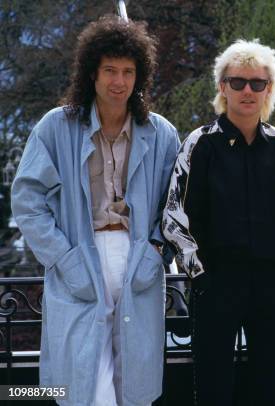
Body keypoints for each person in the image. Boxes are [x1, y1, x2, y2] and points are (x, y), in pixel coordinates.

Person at [11, 16, 179, 406]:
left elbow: (177, 208)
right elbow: (28, 202)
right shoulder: (56, 127)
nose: (119, 81)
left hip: (139, 258)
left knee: (134, 378)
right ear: (92, 73)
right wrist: (63, 258)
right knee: (84, 378)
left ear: (140, 76)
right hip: (80, 253)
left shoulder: (162, 133)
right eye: (109, 71)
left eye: (128, 72)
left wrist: (158, 251)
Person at [162, 39, 275, 405]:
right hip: (216, 284)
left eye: (258, 83)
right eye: (238, 81)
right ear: (222, 87)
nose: (247, 91)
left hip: (273, 285)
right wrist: (201, 276)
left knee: (269, 386)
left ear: (269, 89)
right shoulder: (199, 143)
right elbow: (175, 216)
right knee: (213, 387)